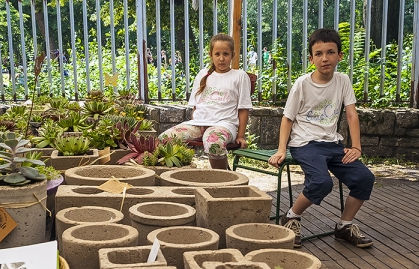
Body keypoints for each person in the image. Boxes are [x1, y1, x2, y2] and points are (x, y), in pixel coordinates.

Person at [268, 28, 374, 249]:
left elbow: (351, 114)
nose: (324, 58)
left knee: (364, 178)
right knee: (321, 182)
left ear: (339, 56)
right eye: (318, 53)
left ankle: (344, 225)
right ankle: (292, 217)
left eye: (330, 52)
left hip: (333, 144)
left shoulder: (343, 81)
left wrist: (356, 147)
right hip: (305, 144)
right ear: (311, 58)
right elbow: (287, 119)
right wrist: (281, 150)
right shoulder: (302, 84)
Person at [158, 33, 252, 170]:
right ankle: (182, 173)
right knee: (164, 139)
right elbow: (195, 107)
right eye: (217, 54)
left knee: (213, 143)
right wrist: (196, 125)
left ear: (233, 54)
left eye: (226, 54)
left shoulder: (240, 76)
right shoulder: (203, 74)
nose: (221, 58)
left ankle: (222, 179)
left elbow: (243, 108)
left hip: (224, 124)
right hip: (198, 124)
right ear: (211, 54)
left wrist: (241, 135)